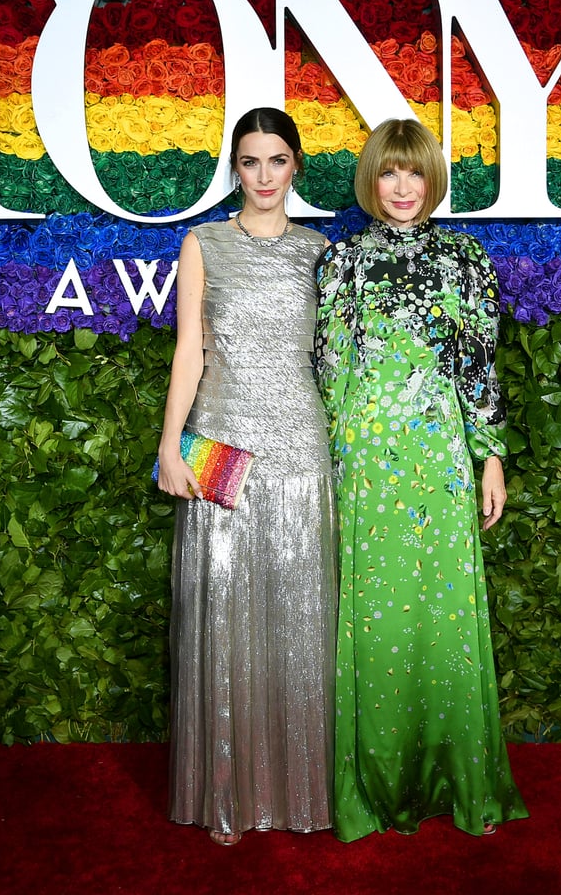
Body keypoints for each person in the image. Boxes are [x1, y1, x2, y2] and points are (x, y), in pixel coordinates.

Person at [315, 118, 528, 841]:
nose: (402, 188)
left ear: (432, 179)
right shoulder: (343, 261)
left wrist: (489, 454)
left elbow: (479, 364)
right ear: (371, 181)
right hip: (368, 460)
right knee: (374, 619)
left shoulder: (467, 259)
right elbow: (332, 370)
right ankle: (373, 789)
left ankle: (462, 781)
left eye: (414, 173)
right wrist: (337, 467)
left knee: (446, 619)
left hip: (439, 460)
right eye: (388, 173)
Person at [156, 107, 337, 846]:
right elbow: (189, 353)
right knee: (220, 614)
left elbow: (335, 361)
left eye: (277, 161)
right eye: (250, 162)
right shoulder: (202, 243)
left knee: (301, 622)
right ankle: (228, 794)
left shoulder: (322, 253)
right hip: (220, 445)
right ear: (236, 168)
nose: (263, 176)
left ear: (296, 167)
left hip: (300, 443)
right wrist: (170, 446)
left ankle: (301, 791)